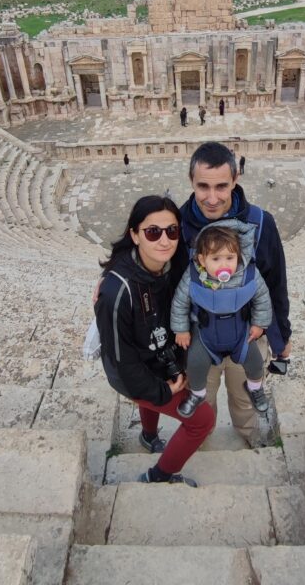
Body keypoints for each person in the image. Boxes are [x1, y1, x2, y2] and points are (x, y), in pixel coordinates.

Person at [175, 142, 291, 446]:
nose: (212, 198)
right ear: (191, 182)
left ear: (235, 180)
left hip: (247, 334)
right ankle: (202, 441)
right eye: (203, 186)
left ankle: (249, 437)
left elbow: (276, 282)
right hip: (202, 337)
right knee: (203, 398)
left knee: (244, 398)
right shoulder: (176, 225)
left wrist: (283, 337)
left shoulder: (260, 223)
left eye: (221, 186)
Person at [95, 195, 214, 485]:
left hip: (161, 356)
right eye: (153, 232)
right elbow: (124, 362)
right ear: (135, 235)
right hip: (132, 372)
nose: (165, 240)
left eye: (172, 231)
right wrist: (160, 391)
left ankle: (148, 435)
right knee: (202, 420)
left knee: (157, 401)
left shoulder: (173, 265)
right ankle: (158, 475)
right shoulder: (115, 292)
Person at [171, 223, 272, 418]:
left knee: (255, 361)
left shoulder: (248, 274)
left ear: (239, 256)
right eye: (216, 259)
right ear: (202, 259)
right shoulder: (193, 276)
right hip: (205, 334)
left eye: (230, 258)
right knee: (195, 362)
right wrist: (181, 329)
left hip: (240, 334)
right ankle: (197, 393)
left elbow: (262, 298)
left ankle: (255, 387)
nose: (224, 265)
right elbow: (179, 303)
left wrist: (260, 323)